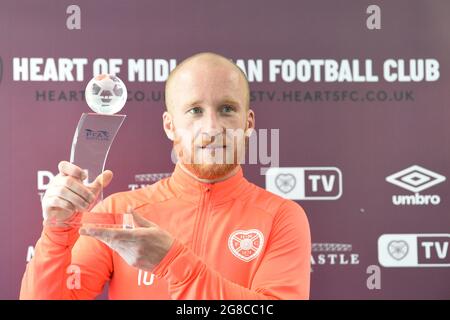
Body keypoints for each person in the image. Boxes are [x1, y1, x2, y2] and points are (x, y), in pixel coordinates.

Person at [20, 52, 311, 299]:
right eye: (195, 110)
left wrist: (173, 262)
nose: (211, 127)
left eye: (227, 109)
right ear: (170, 125)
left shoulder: (281, 217)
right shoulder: (119, 213)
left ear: (248, 123)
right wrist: (57, 233)